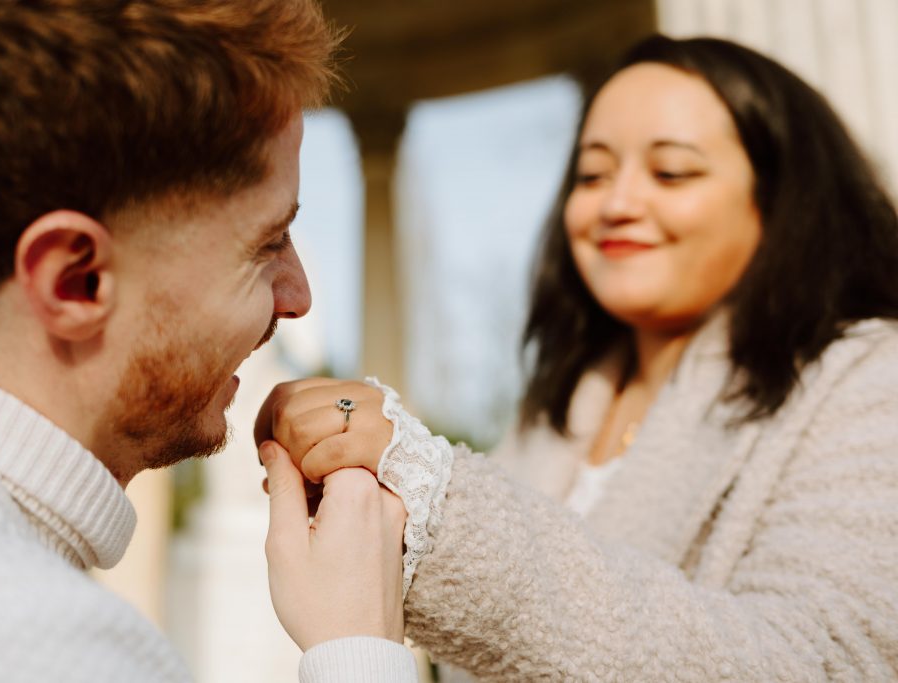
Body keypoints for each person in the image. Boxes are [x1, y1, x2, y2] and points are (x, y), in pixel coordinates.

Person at [258, 35, 898, 680]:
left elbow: (826, 660)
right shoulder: (559, 405)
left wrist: (438, 504)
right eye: (592, 174)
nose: (616, 205)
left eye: (671, 172)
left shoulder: (869, 378)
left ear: (788, 199)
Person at [0, 1, 415, 681]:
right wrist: (359, 648)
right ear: (76, 279)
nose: (299, 296)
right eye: (268, 243)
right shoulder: (42, 644)